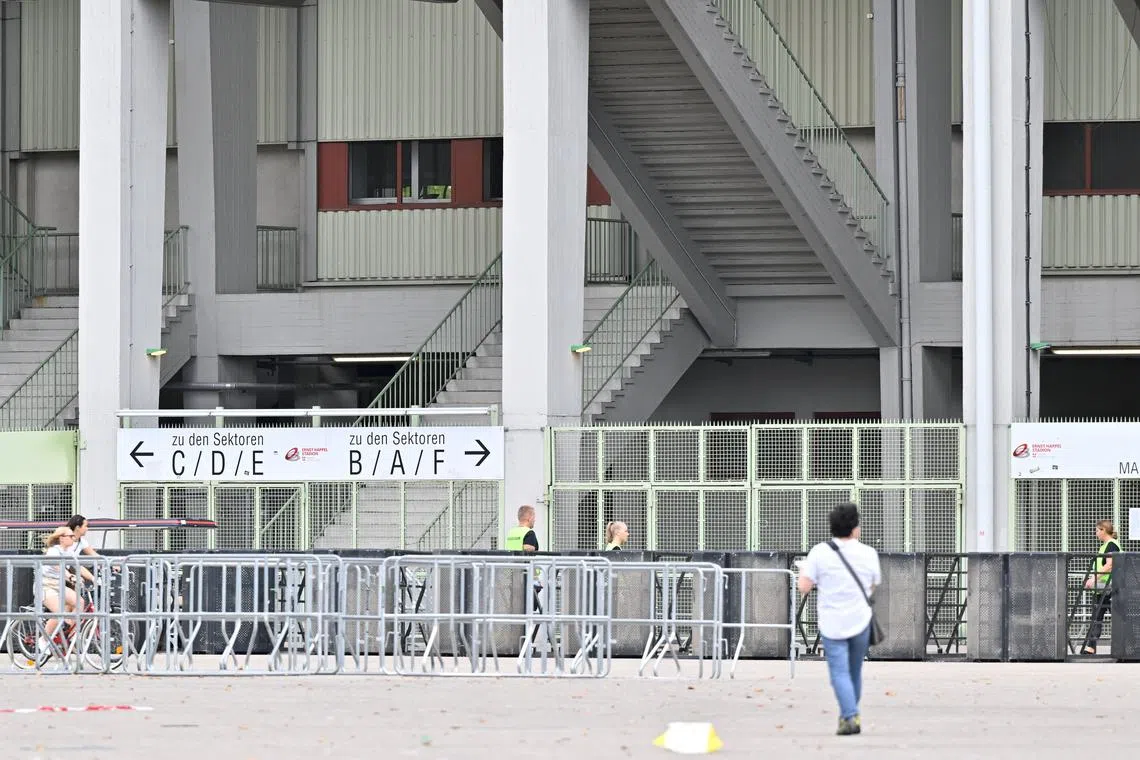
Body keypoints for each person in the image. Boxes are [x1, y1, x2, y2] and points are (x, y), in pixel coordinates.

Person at [796, 502, 881, 736]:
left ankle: (850, 715)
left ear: (832, 527)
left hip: (832, 622)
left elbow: (804, 586)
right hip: (860, 620)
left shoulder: (819, 552)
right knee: (854, 671)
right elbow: (873, 585)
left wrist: (805, 573)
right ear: (855, 527)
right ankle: (850, 713)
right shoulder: (868, 553)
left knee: (839, 673)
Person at [37, 526, 83, 653]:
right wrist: (70, 576)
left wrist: (94, 578)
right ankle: (43, 639)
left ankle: (72, 636)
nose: (74, 538)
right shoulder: (53, 551)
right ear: (62, 538)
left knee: (79, 602)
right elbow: (57, 566)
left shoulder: (68, 552)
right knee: (60, 612)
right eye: (70, 536)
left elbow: (79, 565)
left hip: (59, 584)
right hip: (46, 586)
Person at [1082, 519, 1121, 655]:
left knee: (1116, 617)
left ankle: (1091, 647)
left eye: (1097, 530)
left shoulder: (1111, 545)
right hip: (1103, 588)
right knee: (1097, 616)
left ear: (1103, 530)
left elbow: (1110, 565)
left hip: (1110, 588)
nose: (1096, 533)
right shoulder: (1105, 545)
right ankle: (1091, 647)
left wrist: (1093, 578)